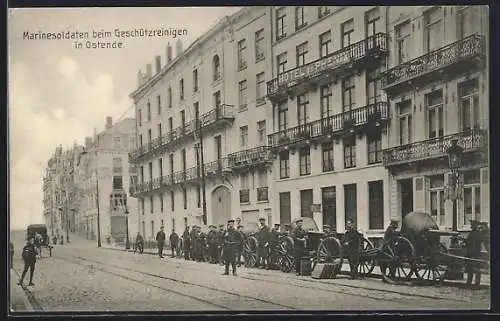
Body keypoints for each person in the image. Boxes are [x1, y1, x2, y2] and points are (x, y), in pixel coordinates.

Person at [465, 220, 484, 287]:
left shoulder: (473, 233)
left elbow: (469, 242)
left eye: (472, 224)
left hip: (473, 253)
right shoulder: (477, 233)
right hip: (476, 253)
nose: (471, 225)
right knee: (475, 268)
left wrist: (465, 243)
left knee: (472, 268)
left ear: (475, 225)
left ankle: (470, 282)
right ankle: (475, 283)